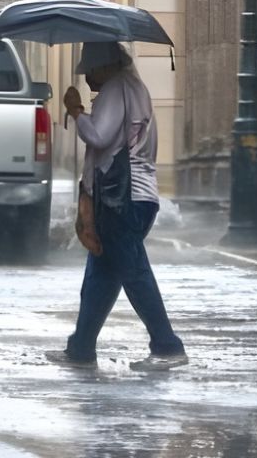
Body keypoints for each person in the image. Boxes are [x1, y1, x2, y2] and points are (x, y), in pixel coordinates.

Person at [47, 42, 188, 371]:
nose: (88, 80)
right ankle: (81, 348)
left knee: (134, 272)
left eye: (90, 71)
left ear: (104, 65)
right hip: (132, 196)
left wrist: (77, 111)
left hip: (121, 198)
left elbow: (99, 136)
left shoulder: (115, 88)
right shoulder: (135, 88)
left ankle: (167, 346)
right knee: (101, 275)